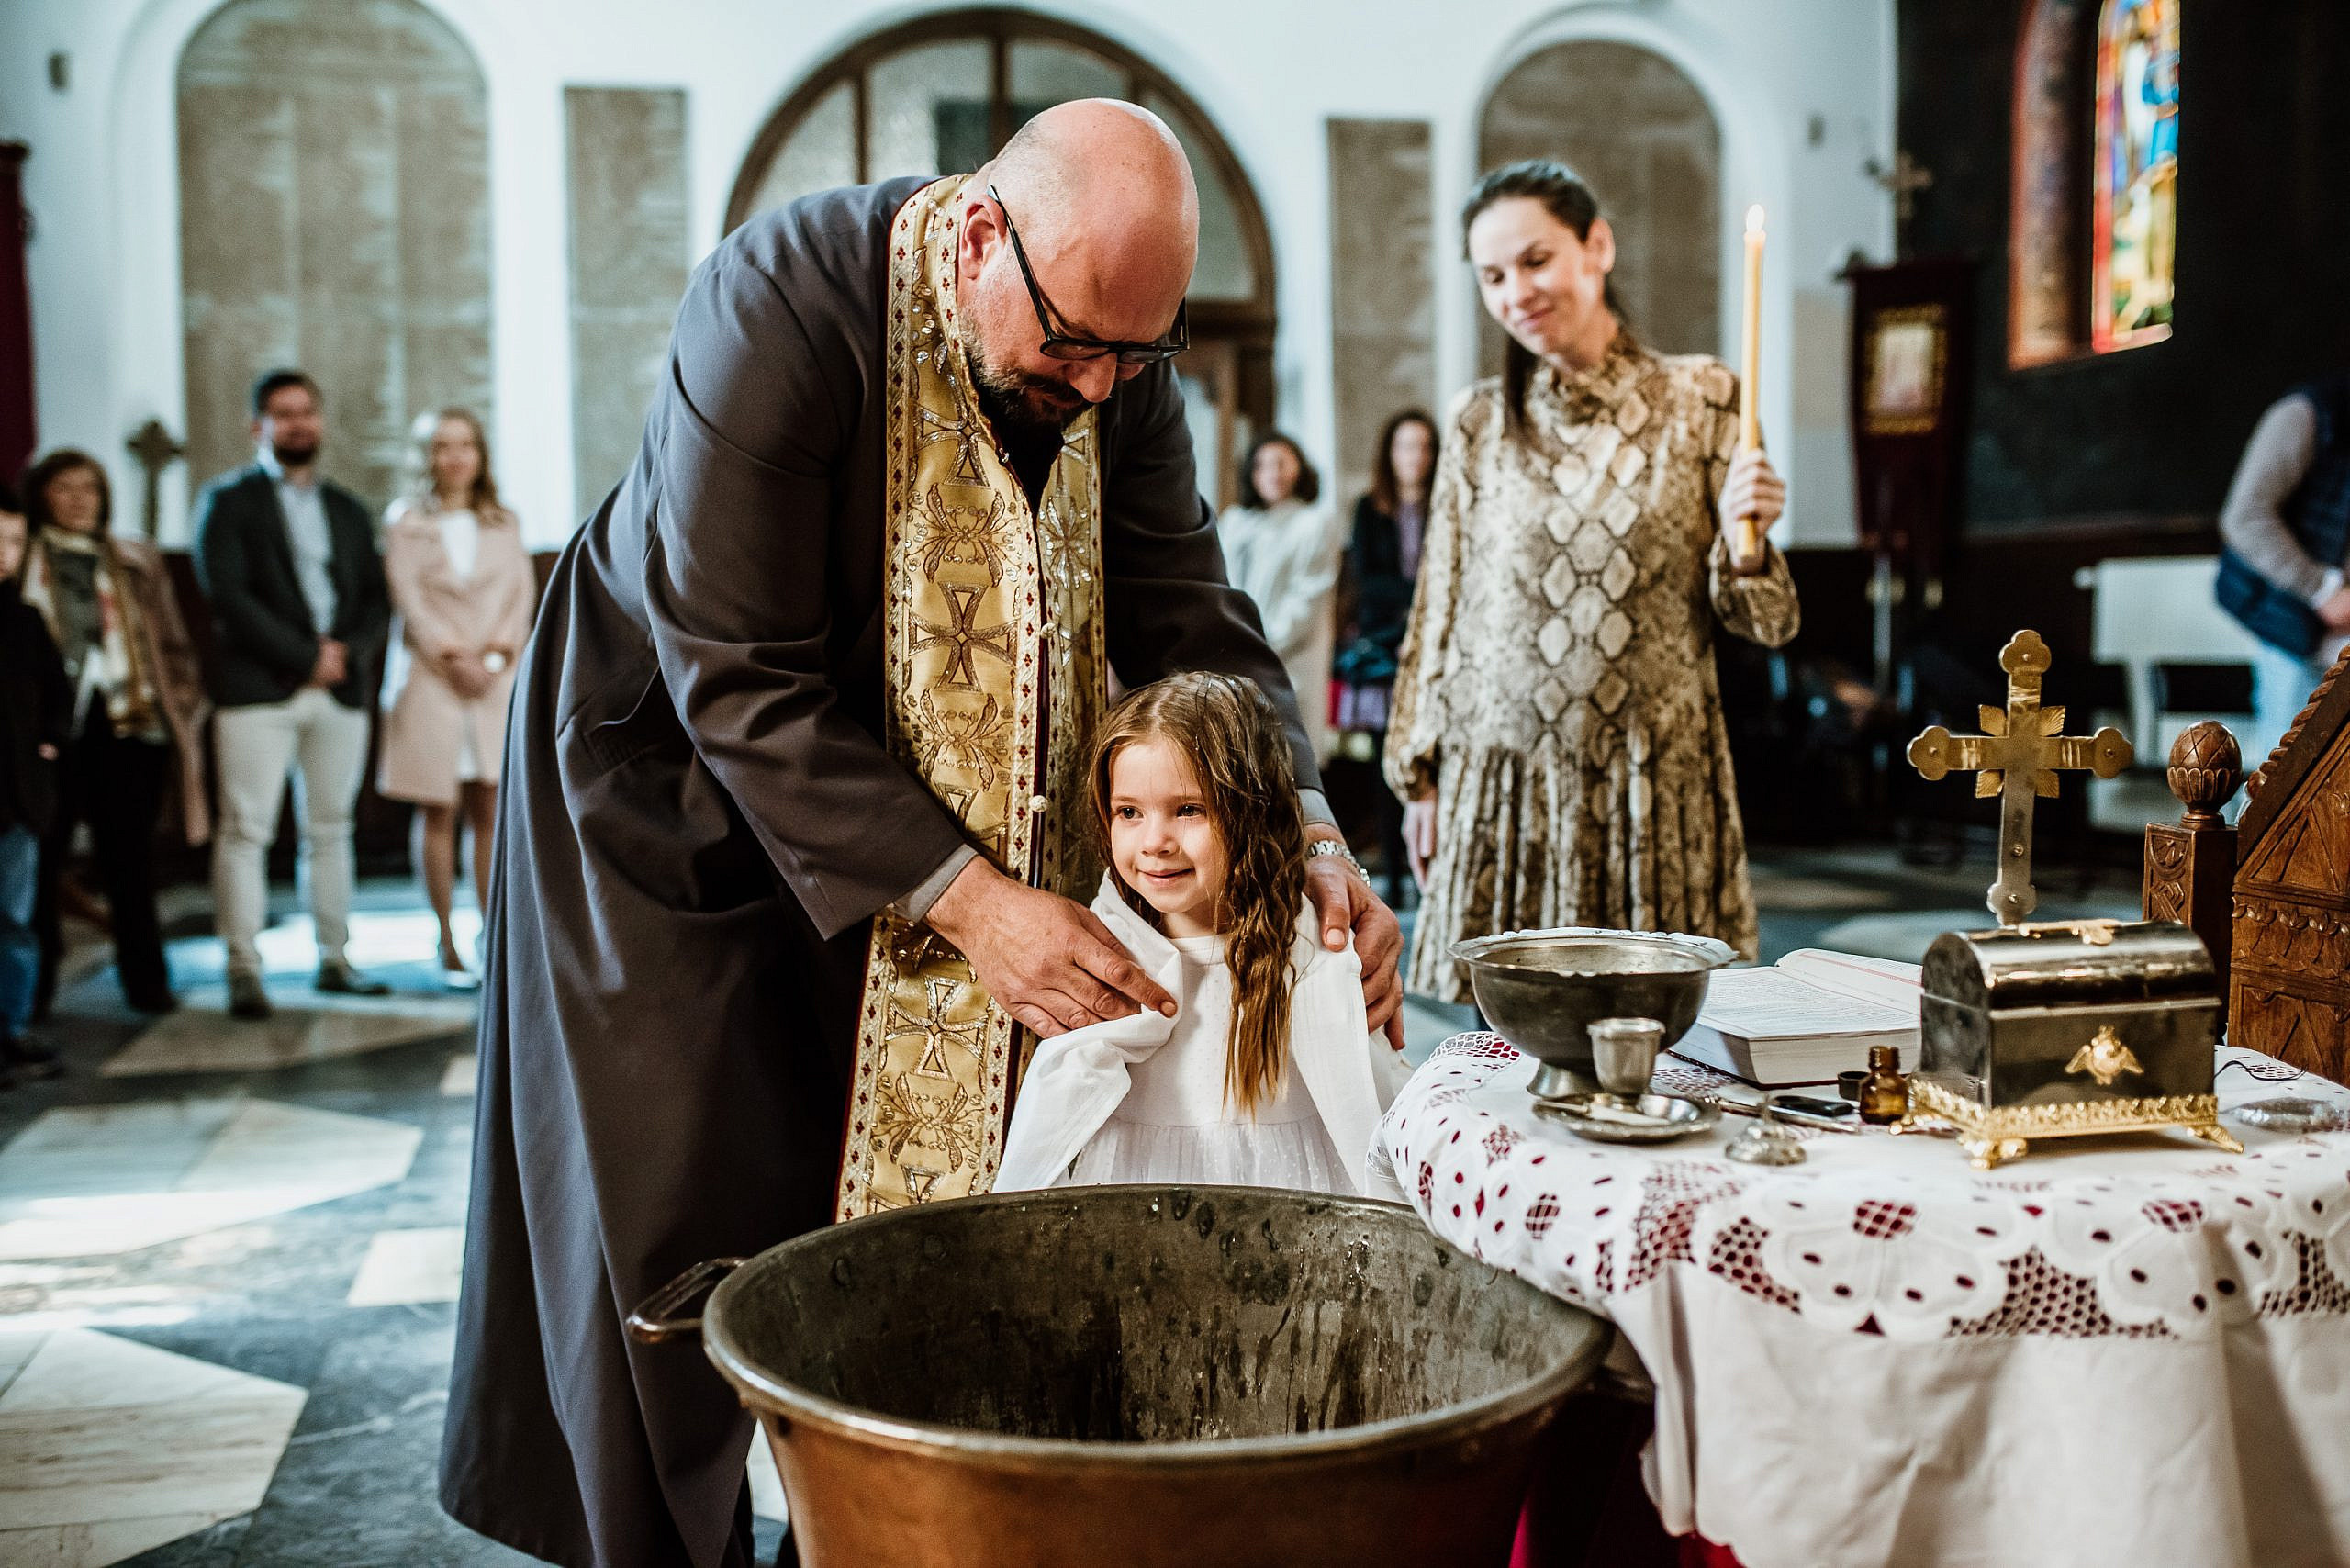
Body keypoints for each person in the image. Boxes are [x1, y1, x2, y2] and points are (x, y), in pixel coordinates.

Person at [442, 100, 1403, 1568]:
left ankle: (894, 1516)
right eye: (1072, 345)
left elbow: (1191, 619)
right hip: (667, 786)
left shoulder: (1117, 356)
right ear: (974, 240)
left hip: (925, 772)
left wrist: (1312, 830)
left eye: (1133, 359)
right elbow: (737, 668)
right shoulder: (774, 302)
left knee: (923, 1158)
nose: (1093, 389)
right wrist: (971, 898)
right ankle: (672, 1544)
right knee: (693, 1177)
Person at [1386, 160, 1799, 1002]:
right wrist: (1420, 772)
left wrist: (1748, 543)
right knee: (1505, 1048)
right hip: (1501, 774)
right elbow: (1443, 602)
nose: (1516, 293)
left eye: (1536, 261)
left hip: (1648, 777)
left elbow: (1766, 622)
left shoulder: (1705, 397)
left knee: (1658, 1041)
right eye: (1493, 277)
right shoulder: (1476, 421)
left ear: (1597, 245)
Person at [997, 673, 1407, 1197]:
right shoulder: (1111, 946)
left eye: (1188, 810)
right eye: (1129, 812)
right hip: (1138, 1193)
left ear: (1254, 808)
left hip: (1293, 1195)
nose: (1154, 842)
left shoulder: (1311, 947)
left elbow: (1365, 1098)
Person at [192, 369, 392, 1019]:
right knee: (246, 830)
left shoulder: (347, 509)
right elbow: (229, 596)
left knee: (332, 830)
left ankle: (335, 958)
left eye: (308, 412)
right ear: (259, 426)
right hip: (258, 691)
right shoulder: (227, 503)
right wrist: (306, 656)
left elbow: (373, 598)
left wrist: (344, 655)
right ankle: (243, 965)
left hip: (339, 691)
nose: (299, 424)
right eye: (284, 414)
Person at [17, 449, 211, 1017]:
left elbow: (173, 641)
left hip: (129, 725)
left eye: (90, 488)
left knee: (130, 862)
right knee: (42, 866)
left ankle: (147, 982)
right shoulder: (22, 555)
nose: (79, 500)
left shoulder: (131, 559)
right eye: (65, 489)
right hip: (49, 735)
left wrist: (181, 699)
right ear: (41, 495)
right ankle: (34, 993)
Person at [377, 409, 537, 989]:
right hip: (432, 679)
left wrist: (494, 658)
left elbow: (521, 596)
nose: (455, 457)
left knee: (491, 807)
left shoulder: (503, 521)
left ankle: (490, 931)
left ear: (480, 454)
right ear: (426, 457)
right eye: (442, 447)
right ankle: (444, 936)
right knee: (437, 807)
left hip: (494, 680)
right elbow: (408, 598)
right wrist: (453, 656)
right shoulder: (406, 521)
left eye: (465, 445)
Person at [2215, 374, 2350, 776]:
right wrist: (2324, 590)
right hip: (2298, 632)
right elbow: (2245, 518)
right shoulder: (2309, 415)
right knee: (2284, 781)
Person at [1335, 409, 1438, 898]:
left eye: (1423, 446)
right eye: (1405, 446)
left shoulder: (1447, 505)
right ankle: (1393, 878)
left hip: (1437, 652)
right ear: (1389, 454)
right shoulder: (1369, 508)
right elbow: (1369, 584)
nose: (1414, 457)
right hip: (1383, 650)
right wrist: (1420, 597)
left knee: (1434, 769)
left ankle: (1432, 875)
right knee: (1383, 768)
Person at [0, 487, 72, 1087]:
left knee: (15, 921)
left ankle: (12, 1027)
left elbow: (57, 693)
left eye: (15, 541)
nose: (5, 553)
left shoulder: (23, 620)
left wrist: (47, 743)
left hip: (17, 797)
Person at [1217, 432, 1343, 762]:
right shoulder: (1236, 521)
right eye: (1262, 465)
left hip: (1287, 658)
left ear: (1298, 468)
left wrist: (1259, 645)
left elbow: (1307, 597)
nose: (1272, 473)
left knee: (1287, 760)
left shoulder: (1313, 522)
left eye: (1281, 463)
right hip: (1236, 656)